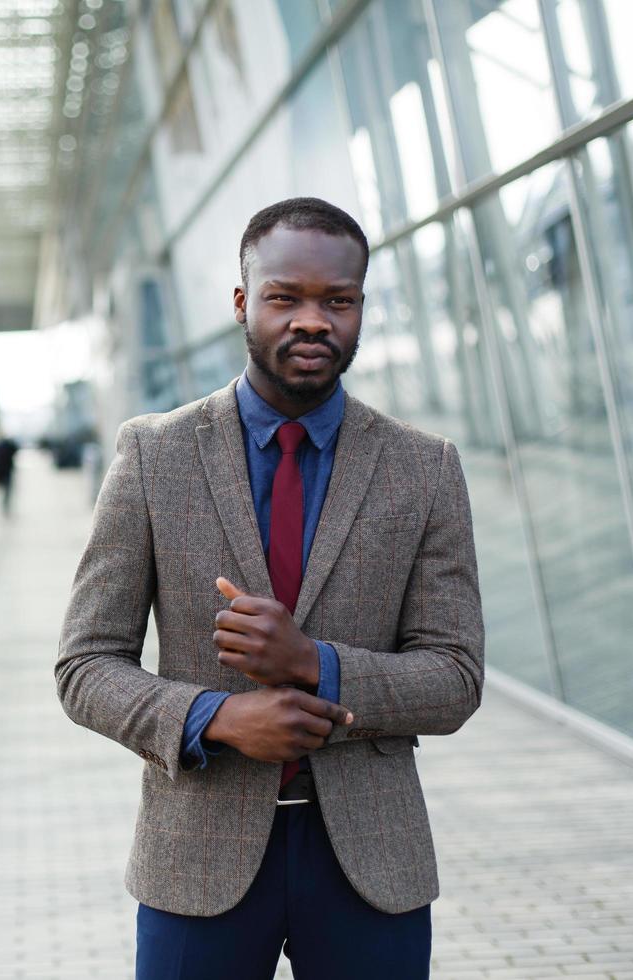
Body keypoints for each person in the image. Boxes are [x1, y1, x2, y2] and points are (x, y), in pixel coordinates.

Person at [56, 197, 484, 979]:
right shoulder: (155, 457)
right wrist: (214, 717)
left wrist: (314, 663)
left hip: (370, 861)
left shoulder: (424, 469)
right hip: (198, 860)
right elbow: (84, 666)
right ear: (243, 302)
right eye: (286, 297)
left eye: (339, 300)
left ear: (360, 308)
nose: (313, 320)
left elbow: (455, 677)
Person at [0, 435, 19, 515]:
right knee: (7, 490)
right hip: (7, 472)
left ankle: (3, 505)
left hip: (0, 472)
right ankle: (5, 505)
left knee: (2, 490)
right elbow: (15, 451)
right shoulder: (9, 446)